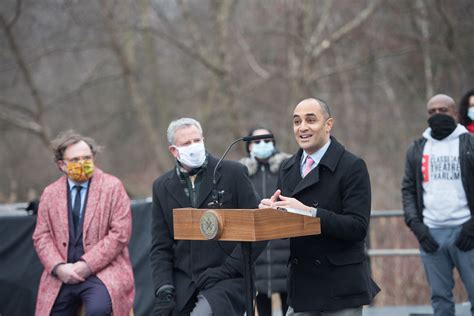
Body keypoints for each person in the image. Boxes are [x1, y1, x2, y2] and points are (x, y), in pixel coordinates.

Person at [259, 98, 379, 316]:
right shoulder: (287, 167)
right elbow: (287, 229)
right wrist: (272, 215)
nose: (302, 127)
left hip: (340, 286)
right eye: (296, 122)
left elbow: (358, 227)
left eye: (310, 120)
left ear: (328, 124)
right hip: (302, 285)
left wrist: (309, 213)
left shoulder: (352, 166)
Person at [150, 117, 263, 316]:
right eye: (186, 143)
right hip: (183, 283)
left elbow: (259, 229)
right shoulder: (161, 187)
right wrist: (164, 289)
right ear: (174, 150)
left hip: (227, 280)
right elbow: (161, 246)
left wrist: (228, 268)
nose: (193, 147)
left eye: (197, 140)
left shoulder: (233, 173)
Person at [32, 130, 135, 316]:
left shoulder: (113, 187)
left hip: (103, 272)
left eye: (87, 157)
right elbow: (41, 236)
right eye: (75, 159)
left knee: (99, 310)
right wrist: (58, 267)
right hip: (62, 275)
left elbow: (120, 233)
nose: (82, 163)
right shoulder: (50, 194)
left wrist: (87, 265)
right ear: (61, 165)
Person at [402, 94, 474, 316]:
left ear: (455, 113)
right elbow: (408, 190)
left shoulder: (470, 144)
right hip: (432, 235)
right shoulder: (417, 148)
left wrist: (472, 227)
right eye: (432, 112)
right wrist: (417, 227)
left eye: (443, 110)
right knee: (440, 300)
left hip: (466, 232)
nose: (437, 115)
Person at [240, 127, 291, 316]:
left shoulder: (287, 169)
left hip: (285, 253)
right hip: (257, 256)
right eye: (257, 140)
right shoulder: (242, 174)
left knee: (290, 308)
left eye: (267, 140)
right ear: (249, 146)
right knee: (261, 308)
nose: (262, 144)